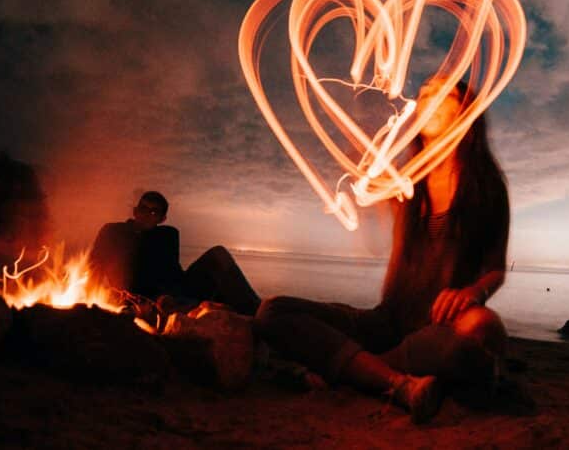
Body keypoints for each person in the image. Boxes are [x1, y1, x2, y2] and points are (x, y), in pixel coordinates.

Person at [254, 77, 510, 424]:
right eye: (423, 94)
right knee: (273, 312)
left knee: (483, 327)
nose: (426, 97)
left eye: (443, 92)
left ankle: (361, 369)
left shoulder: (487, 189)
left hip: (439, 326)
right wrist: (355, 151)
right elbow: (363, 184)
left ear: (466, 112)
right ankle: (389, 375)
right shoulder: (403, 182)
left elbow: (495, 268)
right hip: (385, 320)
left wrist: (473, 292)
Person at [89, 191, 261, 316]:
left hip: (179, 290)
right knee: (175, 303)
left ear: (162, 219)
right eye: (143, 208)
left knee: (218, 254)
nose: (147, 214)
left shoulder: (168, 234)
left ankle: (258, 312)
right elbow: (93, 264)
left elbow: (169, 271)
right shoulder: (113, 231)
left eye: (154, 211)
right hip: (145, 297)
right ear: (135, 211)